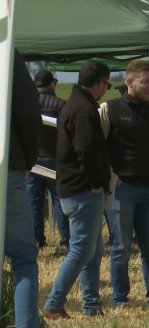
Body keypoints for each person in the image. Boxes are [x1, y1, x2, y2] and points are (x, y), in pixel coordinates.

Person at [44, 60, 111, 319]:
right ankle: (53, 303)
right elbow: (88, 152)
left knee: (93, 251)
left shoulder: (74, 106)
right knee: (82, 250)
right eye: (105, 84)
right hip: (84, 190)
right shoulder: (84, 111)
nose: (106, 89)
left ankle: (92, 305)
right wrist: (96, 183)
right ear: (99, 83)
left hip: (74, 188)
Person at [98, 59, 149, 307]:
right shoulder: (109, 109)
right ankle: (120, 299)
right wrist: (111, 178)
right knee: (121, 248)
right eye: (144, 81)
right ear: (129, 82)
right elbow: (95, 147)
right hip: (122, 189)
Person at [5, 49, 42, 328]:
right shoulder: (4, 46)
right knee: (23, 258)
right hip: (7, 165)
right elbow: (28, 108)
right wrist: (28, 159)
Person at [27, 70, 70, 250]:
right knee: (60, 200)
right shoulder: (61, 105)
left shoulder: (26, 104)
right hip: (55, 158)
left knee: (33, 202)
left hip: (31, 160)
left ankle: (37, 240)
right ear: (51, 84)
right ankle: (66, 241)